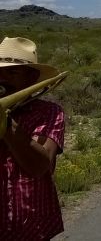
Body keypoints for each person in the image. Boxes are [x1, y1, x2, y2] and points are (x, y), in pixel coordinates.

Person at [0, 37, 67, 240]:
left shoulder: (49, 113)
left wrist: (7, 124)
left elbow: (40, 165)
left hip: (32, 225)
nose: (2, 78)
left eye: (12, 72)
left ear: (31, 77)